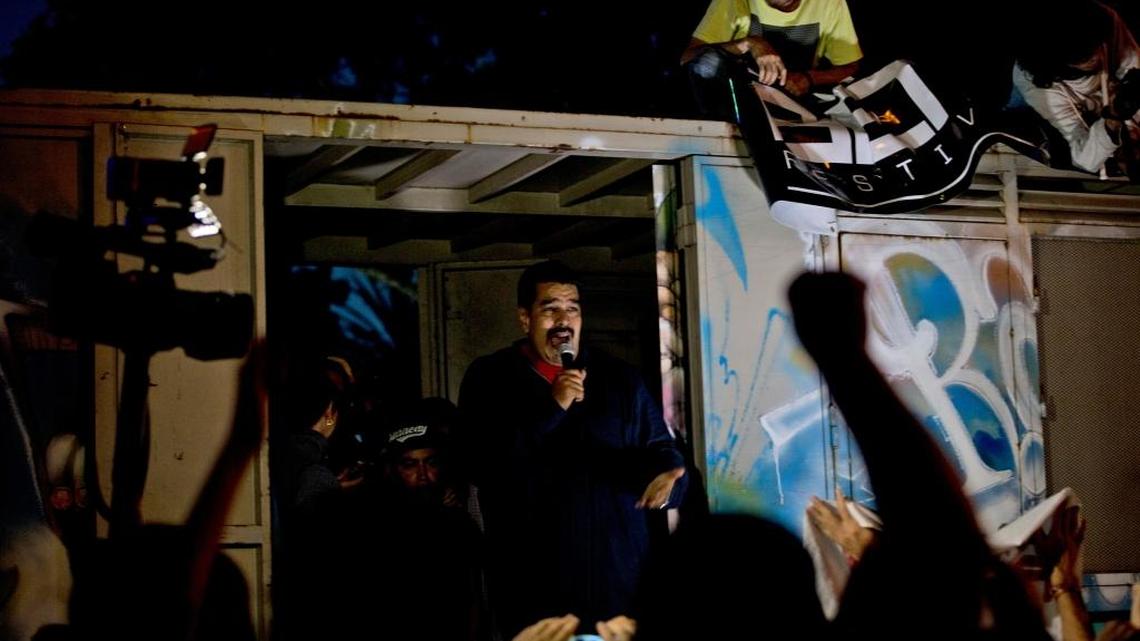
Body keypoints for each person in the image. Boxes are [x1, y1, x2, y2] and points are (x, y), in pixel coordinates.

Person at [458, 260, 686, 638]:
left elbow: (665, 455)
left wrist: (668, 484)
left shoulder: (620, 380)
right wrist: (553, 408)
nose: (563, 320)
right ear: (524, 318)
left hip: (617, 590)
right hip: (535, 594)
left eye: (573, 309)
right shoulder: (491, 378)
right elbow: (483, 464)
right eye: (550, 309)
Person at [368, 403, 486, 641]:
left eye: (430, 462)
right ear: (391, 470)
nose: (422, 474)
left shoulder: (460, 526)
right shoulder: (371, 528)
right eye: (410, 464)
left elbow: (473, 600)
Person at [1011, 0, 1140, 175]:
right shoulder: (1038, 86)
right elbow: (1085, 160)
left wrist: (1130, 109)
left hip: (1102, 96)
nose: (1097, 57)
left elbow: (1132, 70)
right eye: (1084, 58)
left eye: (1096, 47)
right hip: (1031, 98)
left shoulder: (1102, 19)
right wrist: (1113, 119)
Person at [681, 0, 863, 119]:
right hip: (742, 106)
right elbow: (689, 58)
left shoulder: (829, 4)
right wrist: (750, 44)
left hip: (798, 106)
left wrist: (809, 78)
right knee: (708, 63)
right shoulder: (734, 2)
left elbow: (850, 66)